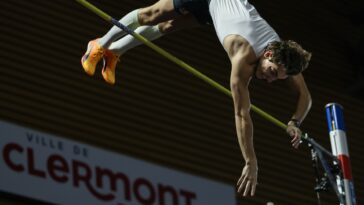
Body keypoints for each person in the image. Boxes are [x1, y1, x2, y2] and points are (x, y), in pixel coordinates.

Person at [81, 0, 312, 197]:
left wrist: (295, 122)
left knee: (169, 26)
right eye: (271, 72)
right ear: (268, 54)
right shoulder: (243, 56)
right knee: (153, 15)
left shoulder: (283, 56)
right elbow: (242, 114)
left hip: (215, 7)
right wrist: (251, 162)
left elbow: (305, 96)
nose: (270, 79)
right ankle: (100, 45)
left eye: (277, 78)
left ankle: (116, 51)